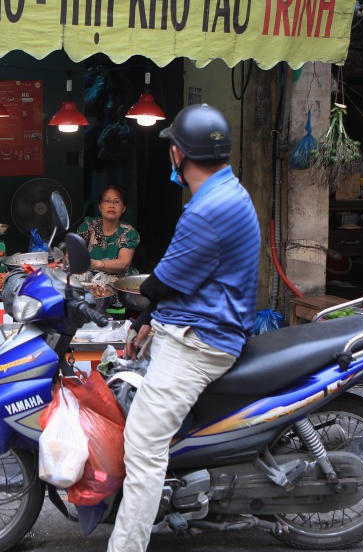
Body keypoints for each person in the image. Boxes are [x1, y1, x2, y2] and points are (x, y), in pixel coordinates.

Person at [107, 104, 260, 552]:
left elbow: (163, 281)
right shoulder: (228, 190)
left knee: (143, 443)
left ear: (177, 154)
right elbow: (188, 280)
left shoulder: (207, 209)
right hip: (199, 325)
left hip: (200, 342)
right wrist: (148, 318)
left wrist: (140, 299)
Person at [76, 185, 140, 277]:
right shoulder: (89, 225)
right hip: (89, 281)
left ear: (123, 209)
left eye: (117, 202)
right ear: (100, 207)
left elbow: (124, 263)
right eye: (107, 201)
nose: (111, 205)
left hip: (119, 284)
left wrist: (98, 264)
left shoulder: (128, 233)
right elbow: (74, 251)